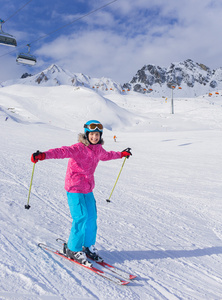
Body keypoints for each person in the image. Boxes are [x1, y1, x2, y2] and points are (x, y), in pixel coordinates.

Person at [31, 120, 132, 267]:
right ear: (87, 134)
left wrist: (121, 154)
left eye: (97, 134)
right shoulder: (78, 148)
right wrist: (43, 155)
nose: (95, 137)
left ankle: (88, 246)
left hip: (88, 188)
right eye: (92, 134)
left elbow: (107, 155)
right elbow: (61, 151)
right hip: (74, 187)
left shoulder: (98, 150)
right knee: (81, 217)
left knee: (91, 217)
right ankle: (73, 249)